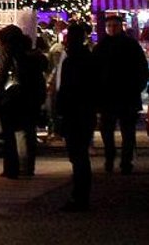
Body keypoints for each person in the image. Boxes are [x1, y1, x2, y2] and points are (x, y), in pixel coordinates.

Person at [94, 13, 149, 174]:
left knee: (127, 131)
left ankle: (125, 161)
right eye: (109, 26)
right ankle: (110, 158)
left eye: (114, 26)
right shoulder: (101, 47)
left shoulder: (131, 46)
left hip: (126, 95)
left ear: (121, 27)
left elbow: (142, 70)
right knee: (108, 130)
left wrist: (136, 87)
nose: (111, 29)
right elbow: (94, 72)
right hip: (108, 96)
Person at [0, 24, 47, 178]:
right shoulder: (31, 52)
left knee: (9, 135)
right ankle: (28, 168)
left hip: (12, 97)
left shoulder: (7, 50)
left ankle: (11, 168)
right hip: (32, 97)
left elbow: (1, 77)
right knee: (28, 132)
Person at [56, 22, 97, 211]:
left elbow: (66, 90)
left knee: (77, 155)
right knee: (80, 155)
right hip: (85, 111)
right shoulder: (88, 58)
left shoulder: (72, 61)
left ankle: (80, 196)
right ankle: (81, 194)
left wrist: (60, 113)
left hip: (74, 113)